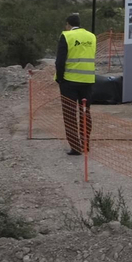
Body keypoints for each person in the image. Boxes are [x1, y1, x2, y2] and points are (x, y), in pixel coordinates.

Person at [54, 13, 96, 155]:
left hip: (69, 81)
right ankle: (85, 144)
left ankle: (75, 147)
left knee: (70, 114)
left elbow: (60, 61)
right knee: (85, 113)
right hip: (88, 80)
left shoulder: (66, 36)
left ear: (68, 24)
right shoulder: (92, 36)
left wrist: (60, 79)